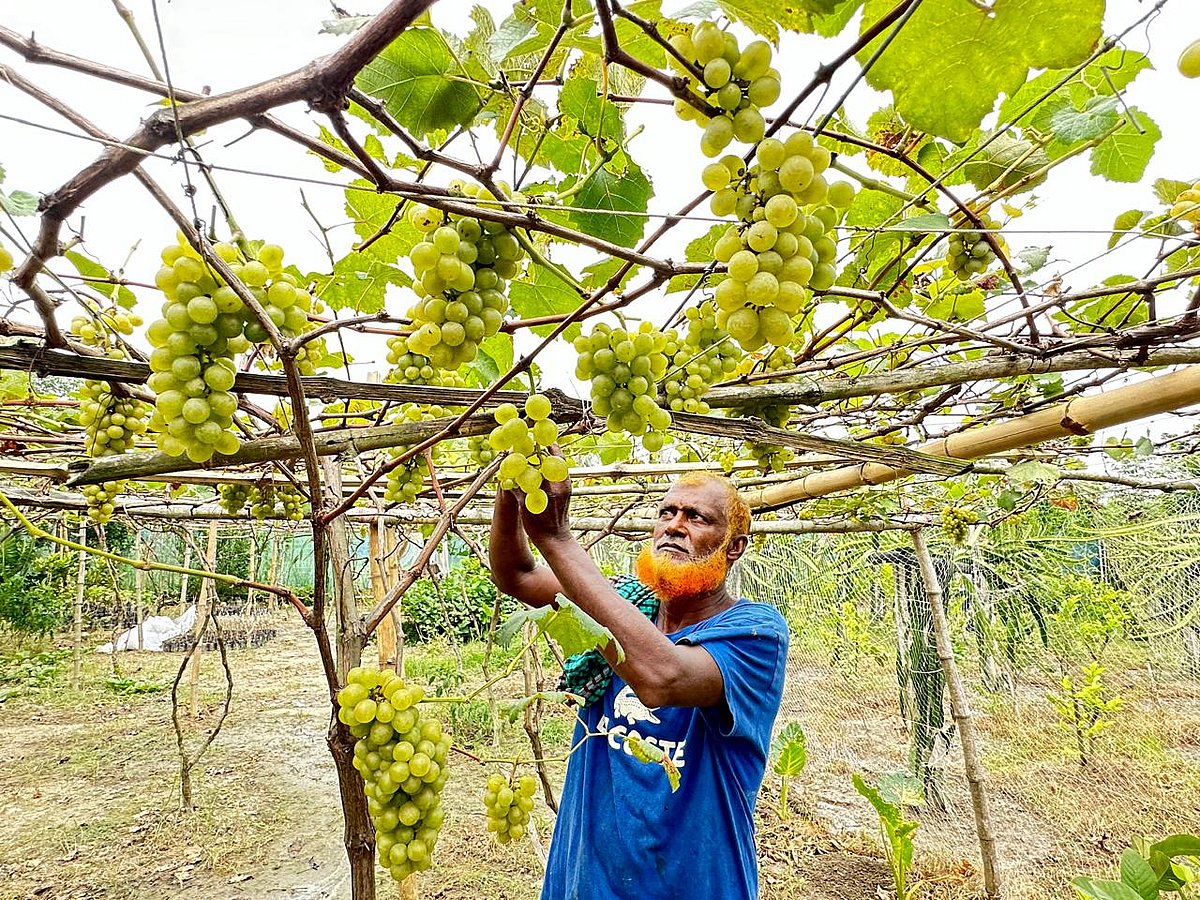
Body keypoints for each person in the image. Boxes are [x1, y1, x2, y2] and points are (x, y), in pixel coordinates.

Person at [489, 464, 789, 900]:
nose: (675, 527)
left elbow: (661, 677)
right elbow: (516, 575)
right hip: (588, 880)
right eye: (666, 513)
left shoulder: (756, 632)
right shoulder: (626, 603)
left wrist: (556, 537)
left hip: (691, 885)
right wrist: (511, 488)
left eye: (697, 518)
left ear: (734, 547)